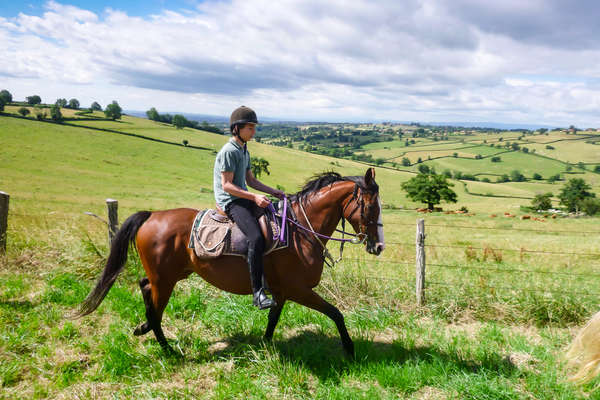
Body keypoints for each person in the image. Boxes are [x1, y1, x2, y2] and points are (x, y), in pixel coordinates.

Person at [213, 106, 284, 309]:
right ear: (237, 128)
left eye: (254, 127)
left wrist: (274, 192)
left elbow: (250, 180)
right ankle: (258, 293)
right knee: (255, 237)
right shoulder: (229, 151)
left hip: (243, 197)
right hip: (230, 201)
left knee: (274, 218)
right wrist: (254, 197)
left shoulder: (243, 149)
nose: (254, 131)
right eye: (250, 127)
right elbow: (227, 185)